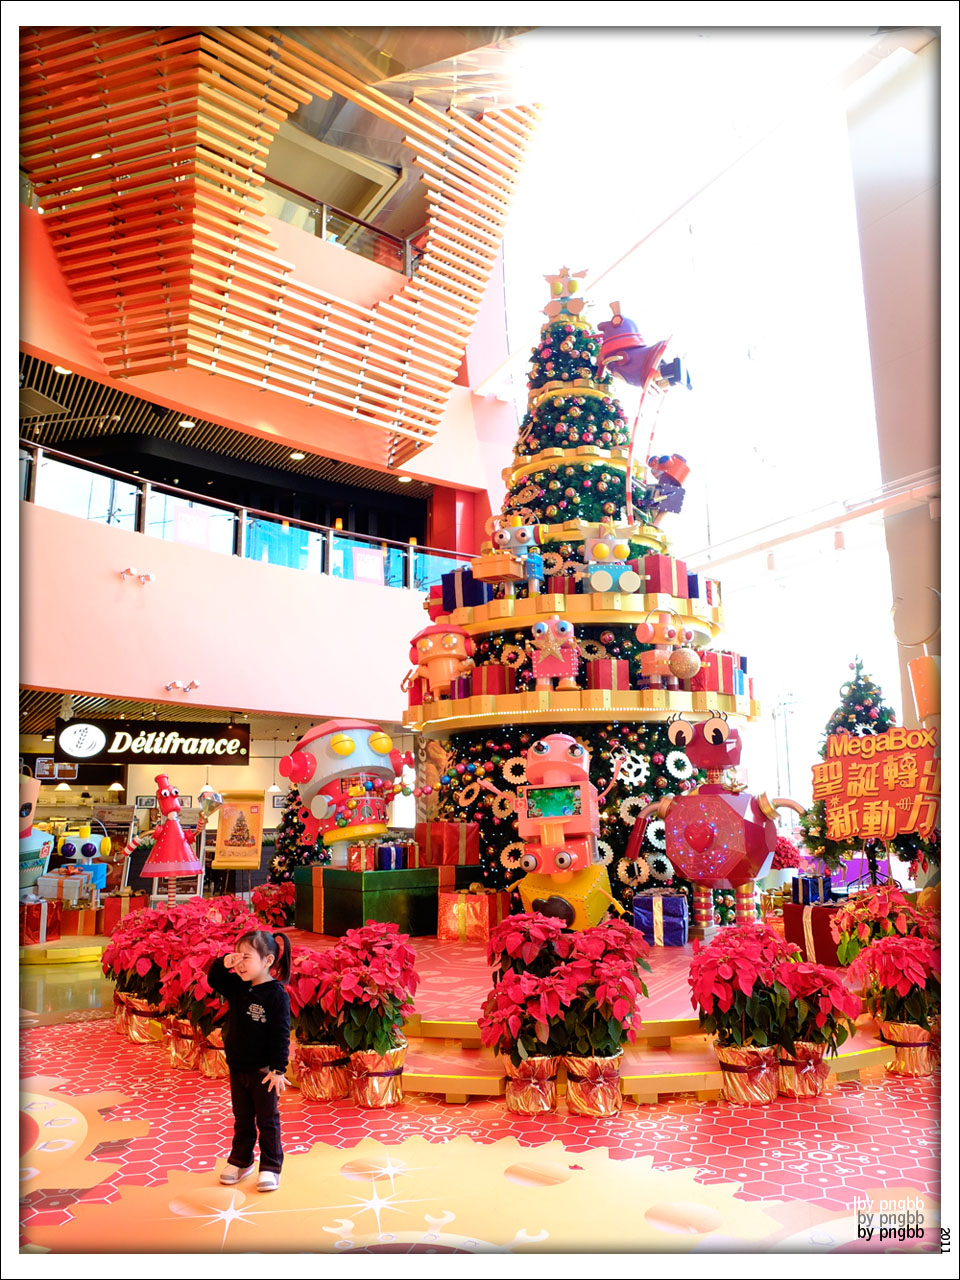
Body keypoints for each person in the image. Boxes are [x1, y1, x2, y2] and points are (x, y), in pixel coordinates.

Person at [207, 930, 291, 1192]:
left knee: (267, 1121)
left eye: (246, 957)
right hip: (238, 1067)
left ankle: (271, 1166)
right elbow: (214, 979)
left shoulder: (276, 995)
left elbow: (281, 1034)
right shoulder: (238, 987)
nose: (240, 964)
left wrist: (278, 1069)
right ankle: (241, 1161)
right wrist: (225, 962)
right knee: (242, 1118)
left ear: (268, 961)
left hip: (264, 1072)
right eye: (237, 956)